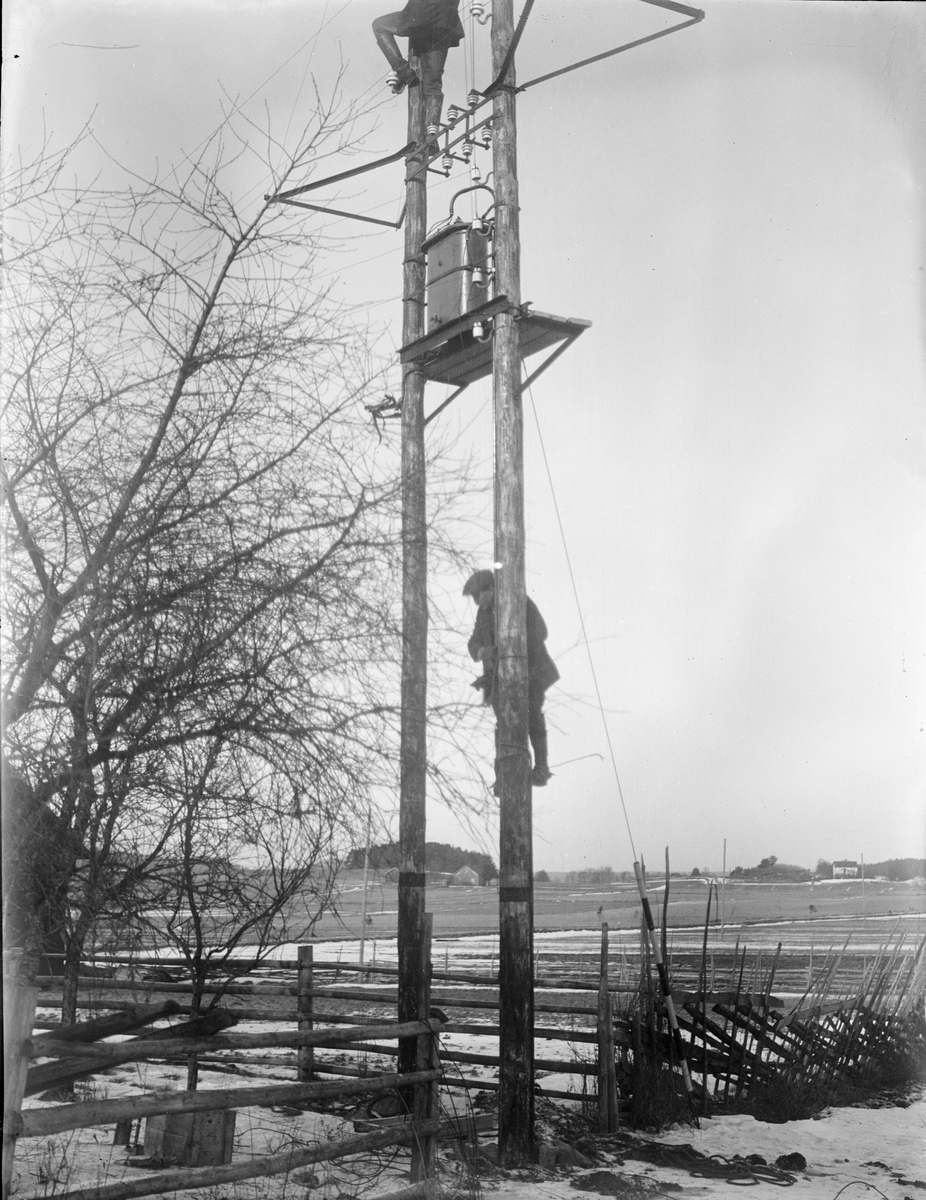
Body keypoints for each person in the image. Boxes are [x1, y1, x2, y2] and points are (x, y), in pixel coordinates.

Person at [463, 568, 560, 788]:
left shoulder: (518, 600)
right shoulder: (483, 614)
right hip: (498, 679)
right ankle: (504, 774)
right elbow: (472, 644)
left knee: (531, 713)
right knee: (504, 722)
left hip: (530, 672)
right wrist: (482, 652)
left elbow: (541, 631)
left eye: (478, 595)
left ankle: (542, 768)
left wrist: (513, 646)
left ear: (490, 589)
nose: (477, 602)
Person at [372, 1, 465, 139]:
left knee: (379, 25)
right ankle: (431, 135)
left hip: (420, 15)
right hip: (444, 23)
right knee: (433, 83)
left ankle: (402, 70)